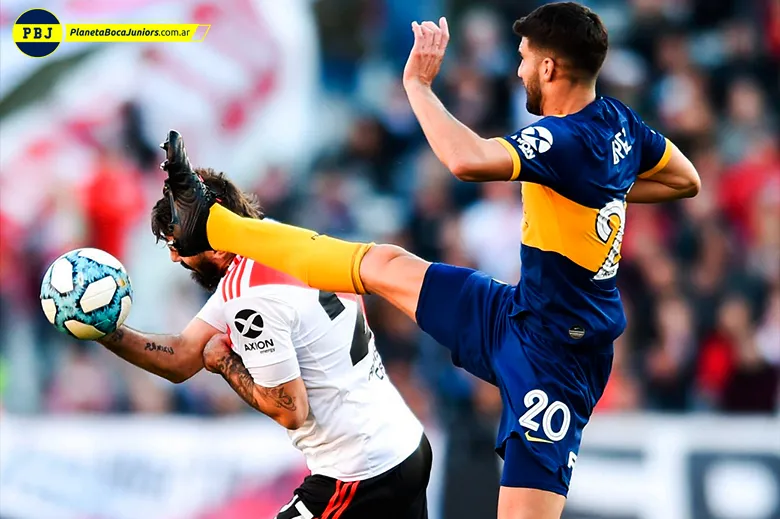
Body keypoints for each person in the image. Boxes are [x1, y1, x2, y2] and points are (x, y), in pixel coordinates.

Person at [160, 3, 701, 518]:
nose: (518, 71)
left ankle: (217, 225)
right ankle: (217, 225)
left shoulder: (563, 139)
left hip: (558, 362)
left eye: (524, 58)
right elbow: (686, 179)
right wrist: (604, 189)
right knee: (384, 264)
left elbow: (466, 161)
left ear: (549, 67)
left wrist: (418, 87)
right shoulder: (619, 123)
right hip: (519, 312)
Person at [97, 169, 432, 519]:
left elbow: (290, 410)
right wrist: (105, 332)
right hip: (403, 443)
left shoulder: (249, 295)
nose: (175, 258)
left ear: (212, 236)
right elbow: (181, 357)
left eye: (175, 243)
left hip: (361, 472)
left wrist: (225, 364)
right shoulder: (272, 240)